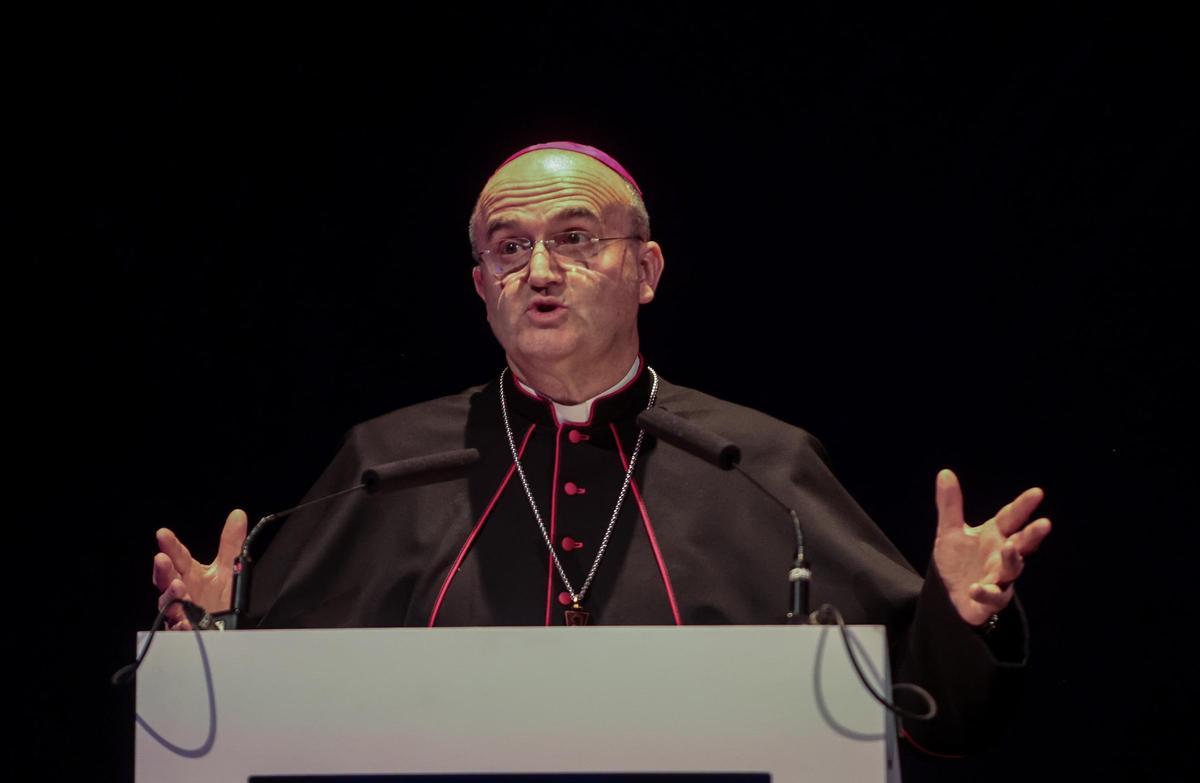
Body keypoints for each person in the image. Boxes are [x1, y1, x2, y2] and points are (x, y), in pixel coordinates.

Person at [152, 141, 1052, 753]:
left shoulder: (757, 464)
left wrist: (957, 614)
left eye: (575, 239)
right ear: (481, 285)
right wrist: (221, 637)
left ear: (645, 270)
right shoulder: (385, 465)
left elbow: (925, 714)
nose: (539, 270)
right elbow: (270, 715)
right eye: (509, 248)